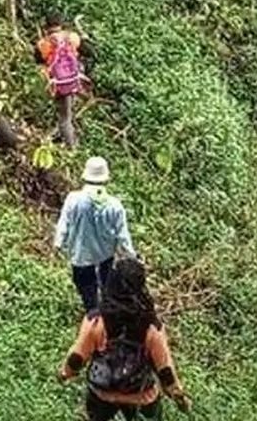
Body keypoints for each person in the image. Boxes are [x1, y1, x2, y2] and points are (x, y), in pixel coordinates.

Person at [57, 258, 192, 420]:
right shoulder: (151, 327)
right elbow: (165, 369)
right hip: (141, 397)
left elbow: (78, 356)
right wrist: (178, 395)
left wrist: (65, 374)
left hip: (102, 395)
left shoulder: (96, 320)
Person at [54, 157, 135, 311]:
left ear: (86, 176)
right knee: (106, 286)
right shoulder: (115, 204)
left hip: (80, 255)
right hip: (105, 255)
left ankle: (92, 315)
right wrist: (132, 256)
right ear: (106, 178)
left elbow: (63, 224)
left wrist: (58, 244)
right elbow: (122, 235)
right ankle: (106, 313)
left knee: (86, 288)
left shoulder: (73, 199)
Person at [35, 13, 84, 147]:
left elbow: (39, 61)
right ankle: (66, 137)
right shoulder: (72, 37)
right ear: (61, 25)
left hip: (57, 84)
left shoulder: (44, 43)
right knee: (66, 113)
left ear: (46, 27)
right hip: (73, 80)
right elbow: (85, 50)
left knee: (64, 118)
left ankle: (71, 146)